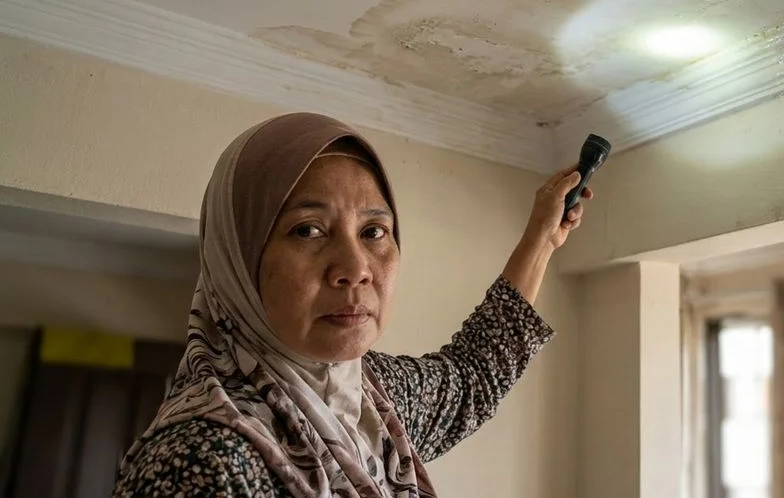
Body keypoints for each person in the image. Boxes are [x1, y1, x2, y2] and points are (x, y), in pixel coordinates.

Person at [112, 111, 592, 497]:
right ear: (236, 258)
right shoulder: (201, 462)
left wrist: (542, 238)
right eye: (308, 230)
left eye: (374, 231)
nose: (355, 267)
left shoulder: (375, 399)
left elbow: (473, 373)